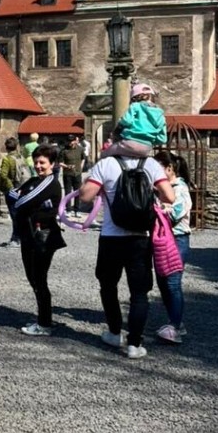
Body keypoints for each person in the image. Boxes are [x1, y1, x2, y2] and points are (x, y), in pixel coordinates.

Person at [79, 152, 174, 359]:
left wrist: (100, 185)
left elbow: (85, 196)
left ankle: (114, 333)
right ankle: (134, 344)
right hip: (140, 238)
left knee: (108, 285)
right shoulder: (151, 164)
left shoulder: (106, 164)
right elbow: (170, 196)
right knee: (139, 293)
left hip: (111, 237)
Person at [9, 146, 66, 335]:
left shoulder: (50, 183)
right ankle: (45, 318)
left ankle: (44, 324)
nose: (38, 166)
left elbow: (20, 202)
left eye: (42, 162)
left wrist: (25, 201)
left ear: (52, 164)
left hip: (42, 238)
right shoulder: (35, 181)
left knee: (39, 279)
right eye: (36, 162)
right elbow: (12, 194)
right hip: (29, 236)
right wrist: (26, 201)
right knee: (33, 278)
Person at [153, 150, 192, 344]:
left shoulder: (180, 188)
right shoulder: (159, 189)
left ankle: (175, 326)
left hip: (177, 239)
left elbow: (176, 214)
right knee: (163, 282)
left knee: (173, 282)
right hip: (162, 239)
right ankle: (175, 321)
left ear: (169, 169)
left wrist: (158, 211)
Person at [103, 83, 167, 158]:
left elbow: (126, 121)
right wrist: (150, 139)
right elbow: (162, 139)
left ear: (134, 98)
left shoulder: (135, 106)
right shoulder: (160, 115)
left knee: (106, 154)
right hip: (146, 148)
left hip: (129, 143)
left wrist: (120, 125)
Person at [0, 136, 22, 246]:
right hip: (22, 188)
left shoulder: (7, 159)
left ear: (6, 147)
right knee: (20, 214)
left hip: (12, 190)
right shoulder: (20, 157)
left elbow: (3, 175)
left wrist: (10, 188)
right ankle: (19, 238)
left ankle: (16, 239)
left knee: (14, 215)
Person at [59, 133, 84, 214]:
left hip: (77, 173)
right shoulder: (64, 150)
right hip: (67, 174)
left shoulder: (80, 149)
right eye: (68, 141)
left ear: (75, 141)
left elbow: (83, 158)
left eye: (71, 141)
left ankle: (77, 210)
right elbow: (60, 163)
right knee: (68, 192)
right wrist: (67, 166)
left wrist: (81, 166)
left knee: (77, 192)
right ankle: (68, 209)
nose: (70, 143)